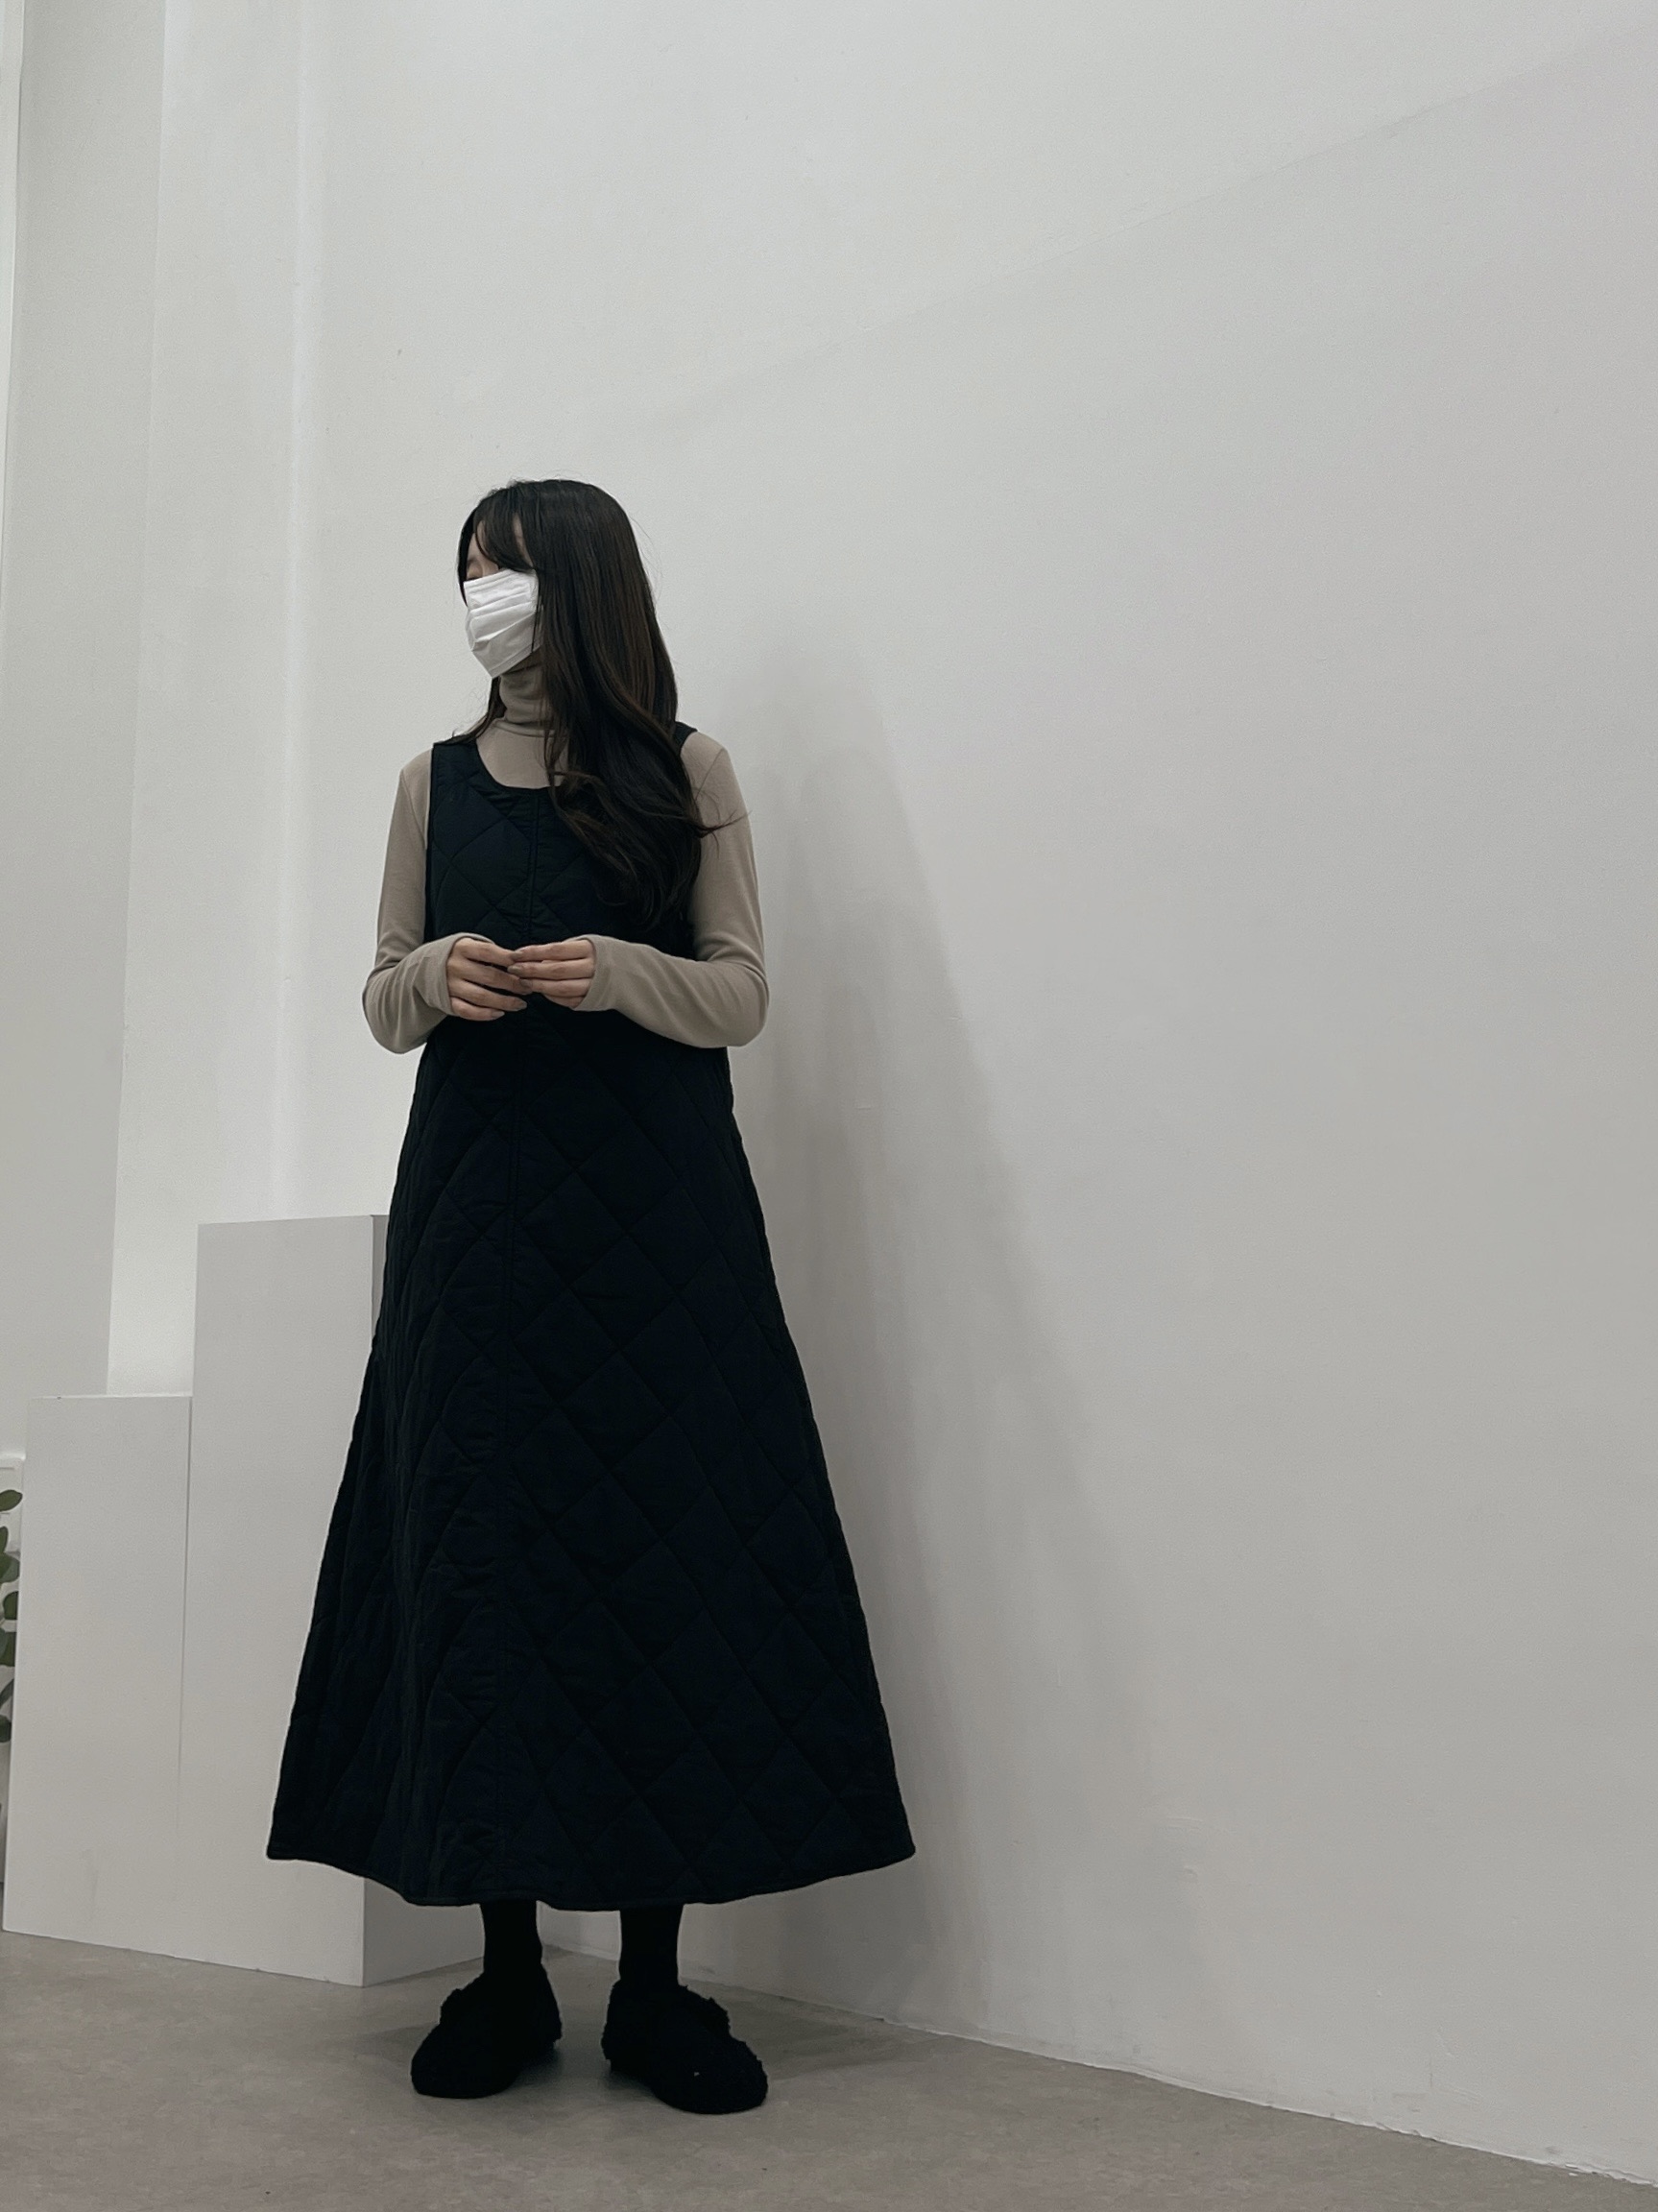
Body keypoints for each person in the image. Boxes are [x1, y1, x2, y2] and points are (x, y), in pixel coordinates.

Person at [266, 477, 915, 2114]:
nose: (483, 602)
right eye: (469, 575)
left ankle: (652, 1991)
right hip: (478, 1221)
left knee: (660, 1560)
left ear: (581, 589)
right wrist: (440, 975)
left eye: (508, 575)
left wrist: (616, 972)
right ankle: (503, 1977)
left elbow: (742, 994)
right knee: (479, 1566)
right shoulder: (427, 782)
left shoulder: (688, 772)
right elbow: (379, 995)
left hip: (658, 1227)